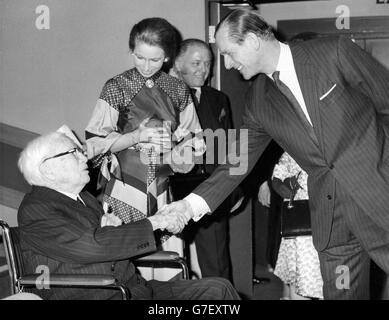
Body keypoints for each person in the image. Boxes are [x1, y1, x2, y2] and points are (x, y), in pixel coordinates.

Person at [159, 8, 389, 299]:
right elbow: (236, 162)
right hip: (334, 221)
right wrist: (188, 207)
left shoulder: (333, 52)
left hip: (380, 195)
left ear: (253, 41)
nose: (227, 65)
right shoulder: (258, 99)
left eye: (229, 53)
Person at [16, 132, 240, 300]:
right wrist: (156, 221)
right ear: (48, 169)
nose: (84, 157)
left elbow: (101, 241)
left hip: (132, 290)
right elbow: (93, 246)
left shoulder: (83, 198)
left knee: (218, 291)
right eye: (73, 153)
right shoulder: (37, 208)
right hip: (102, 294)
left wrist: (110, 231)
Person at [85, 18, 205, 279]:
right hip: (122, 191)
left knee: (168, 272)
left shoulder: (178, 90)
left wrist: (174, 148)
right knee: (126, 271)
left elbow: (196, 143)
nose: (146, 66)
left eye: (155, 59)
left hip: (163, 193)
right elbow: (93, 144)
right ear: (131, 51)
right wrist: (135, 136)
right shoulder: (115, 88)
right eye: (140, 57)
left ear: (168, 57)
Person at [172, 39, 233, 280]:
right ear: (178, 63)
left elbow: (229, 147)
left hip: (211, 191)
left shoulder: (218, 99)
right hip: (173, 190)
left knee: (217, 263)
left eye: (207, 64)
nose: (203, 70)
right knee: (172, 261)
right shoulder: (162, 96)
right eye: (196, 63)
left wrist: (233, 190)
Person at [268, 152, 323, 299]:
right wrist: (284, 186)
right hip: (300, 224)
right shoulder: (290, 148)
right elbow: (277, 176)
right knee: (298, 277)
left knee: (318, 280)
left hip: (325, 217)